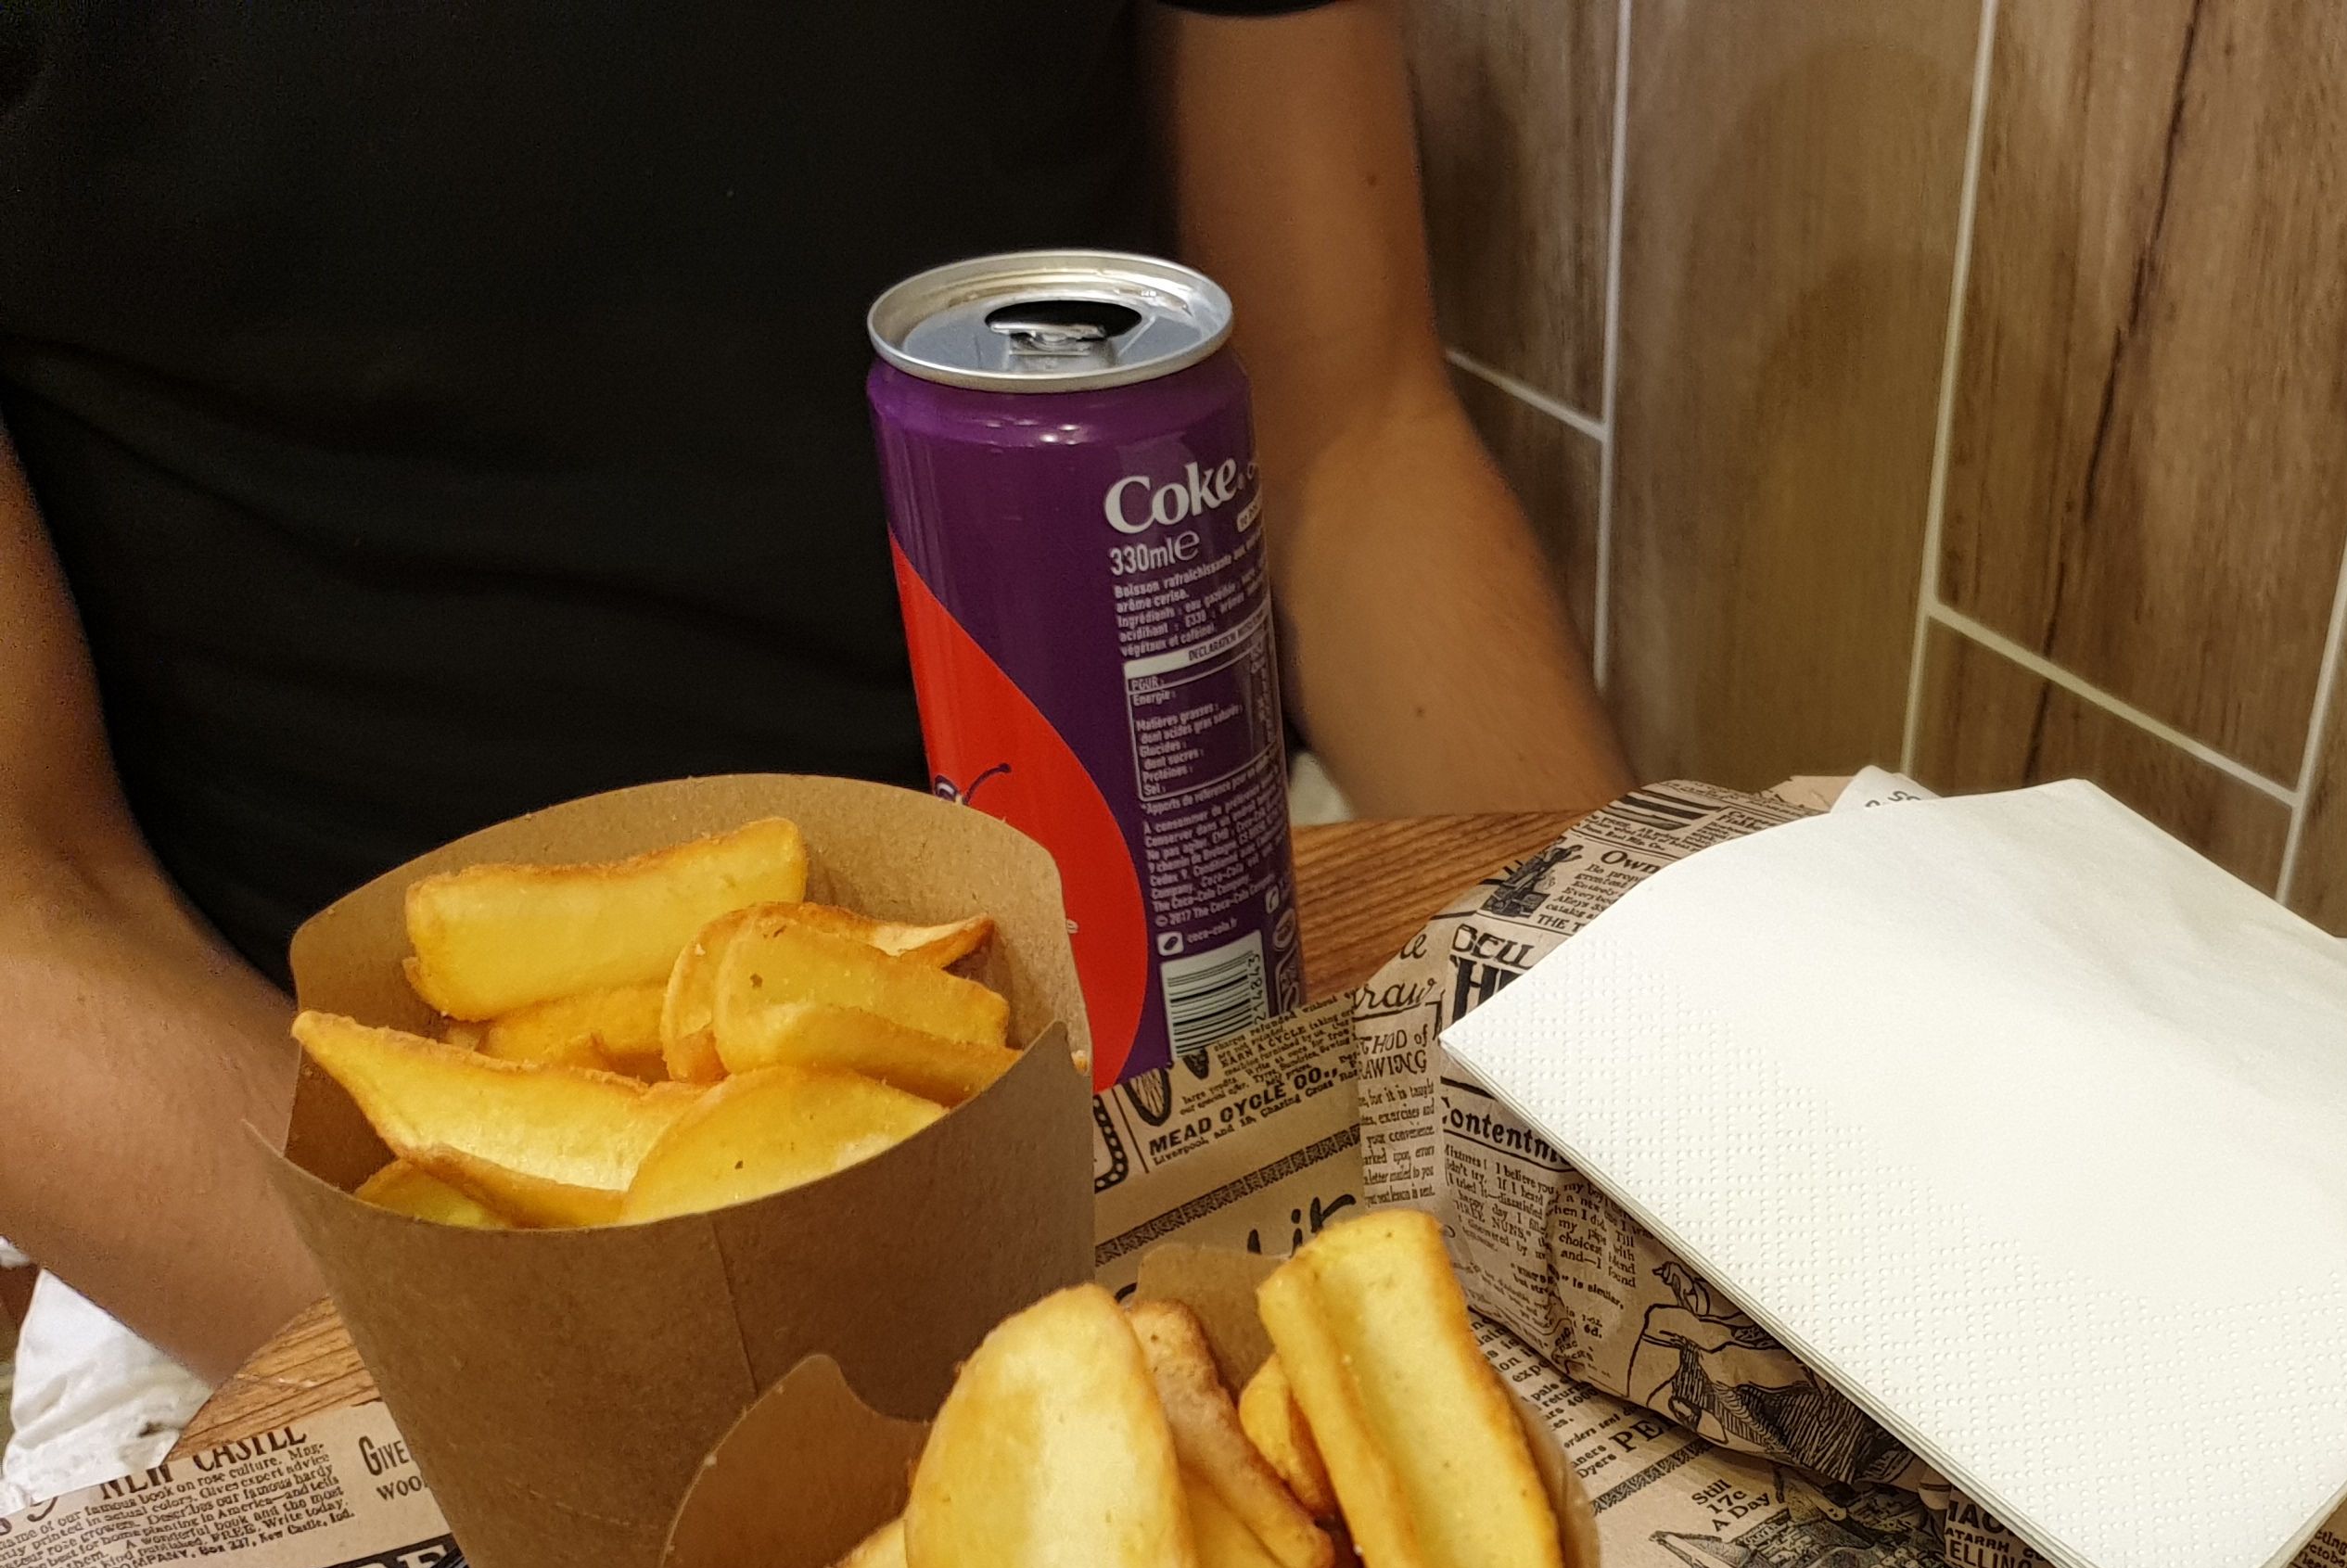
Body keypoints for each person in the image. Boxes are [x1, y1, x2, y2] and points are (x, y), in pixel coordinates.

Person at [0, 0, 1629, 1380]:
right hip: (318, 1208)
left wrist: (1650, 1047)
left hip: (1152, 1044)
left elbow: (1349, 436)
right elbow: (29, 907)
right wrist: (575, 1382)